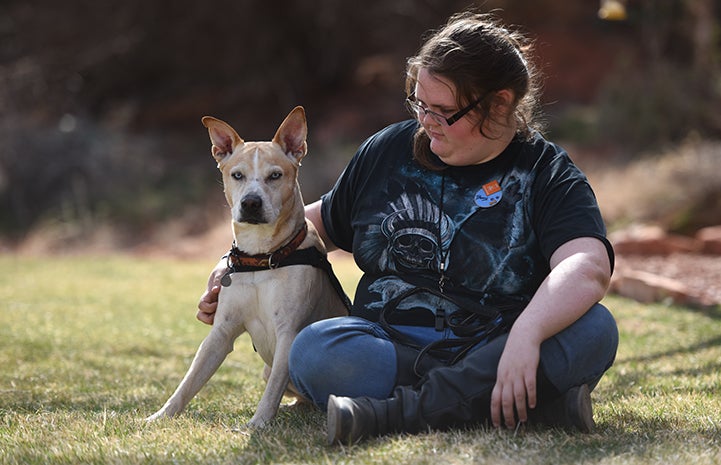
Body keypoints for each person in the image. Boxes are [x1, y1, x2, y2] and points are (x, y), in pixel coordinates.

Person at [197, 11, 619, 445]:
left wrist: (527, 335)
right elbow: (311, 222)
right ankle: (531, 407)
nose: (426, 120)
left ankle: (394, 414)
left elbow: (587, 265)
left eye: (444, 111)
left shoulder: (546, 172)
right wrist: (233, 262)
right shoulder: (387, 150)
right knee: (314, 352)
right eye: (420, 104)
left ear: (500, 104)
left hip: (497, 344)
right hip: (383, 346)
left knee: (595, 330)